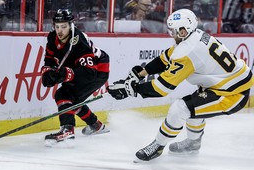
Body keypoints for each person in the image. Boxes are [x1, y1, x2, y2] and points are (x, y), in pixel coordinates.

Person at [107, 9, 254, 161]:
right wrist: (140, 74)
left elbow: (162, 88)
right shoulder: (195, 36)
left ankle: (158, 146)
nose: (171, 34)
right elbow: (165, 59)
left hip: (231, 95)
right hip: (226, 86)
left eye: (173, 31)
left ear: (183, 31)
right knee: (194, 108)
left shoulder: (188, 51)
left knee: (180, 108)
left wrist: (130, 90)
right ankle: (193, 143)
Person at [41, 9, 110, 147]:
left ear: (71, 25)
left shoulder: (78, 41)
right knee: (71, 100)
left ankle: (67, 130)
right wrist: (47, 72)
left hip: (97, 71)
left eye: (64, 26)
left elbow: (89, 73)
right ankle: (95, 125)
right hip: (82, 70)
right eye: (57, 26)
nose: (60, 30)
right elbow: (49, 58)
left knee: (63, 94)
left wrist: (66, 73)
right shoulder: (52, 38)